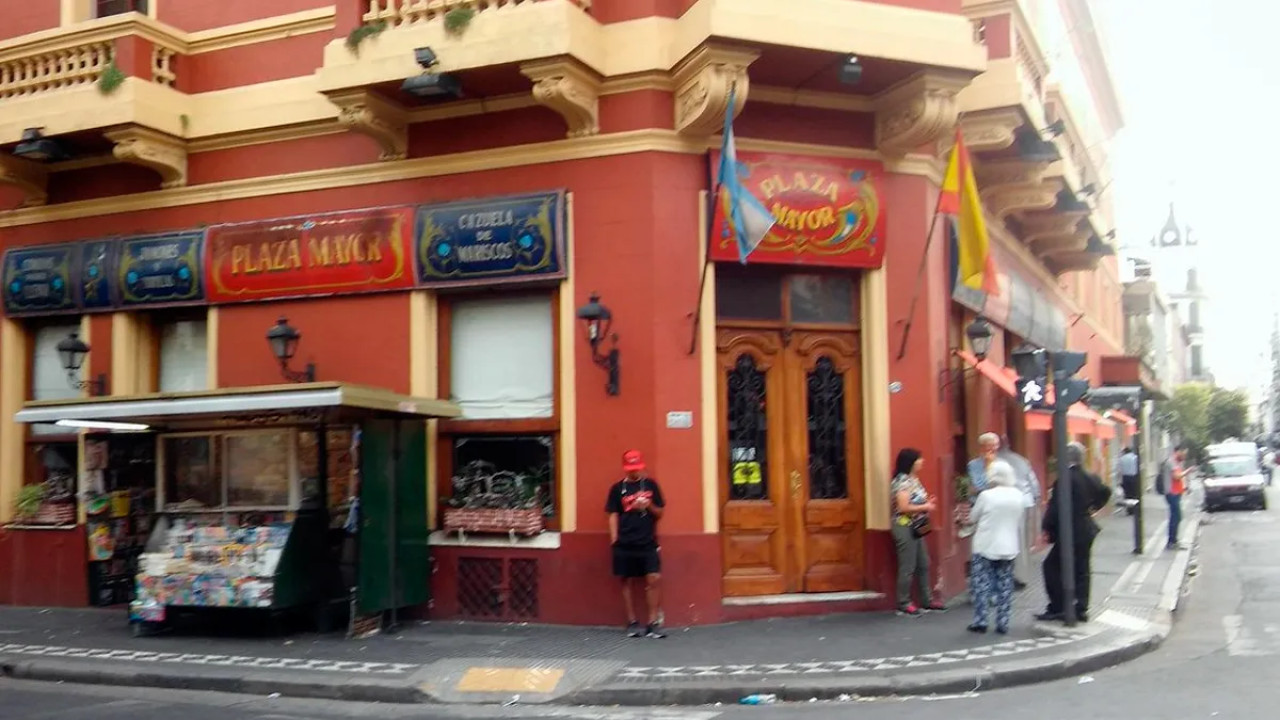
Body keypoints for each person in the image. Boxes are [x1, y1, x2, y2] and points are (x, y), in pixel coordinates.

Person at [1037, 442, 1111, 623]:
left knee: (1051, 566)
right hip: (1086, 528)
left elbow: (1055, 508)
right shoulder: (1089, 476)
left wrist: (1047, 528)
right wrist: (1093, 507)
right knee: (1082, 569)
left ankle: (1058, 606)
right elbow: (1106, 491)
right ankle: (1081, 608)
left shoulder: (1064, 479)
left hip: (1069, 530)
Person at [605, 450, 666, 638]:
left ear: (642, 465)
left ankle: (653, 622)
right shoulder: (617, 489)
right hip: (625, 540)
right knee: (626, 580)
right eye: (630, 469)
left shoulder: (651, 485)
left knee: (653, 578)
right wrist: (614, 538)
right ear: (625, 468)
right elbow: (613, 514)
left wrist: (648, 506)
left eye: (637, 468)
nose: (634, 472)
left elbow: (660, 513)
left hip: (647, 540)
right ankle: (632, 621)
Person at [967, 460, 1025, 634]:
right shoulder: (1018, 495)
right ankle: (1003, 622)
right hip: (1009, 546)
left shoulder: (986, 496)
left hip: (985, 545)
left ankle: (981, 620)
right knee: (1005, 585)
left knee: (981, 585)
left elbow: (972, 517)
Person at [890, 448, 946, 616]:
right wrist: (925, 506)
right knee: (908, 565)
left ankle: (926, 599)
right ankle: (904, 601)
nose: (922, 462)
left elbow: (914, 501)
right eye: (919, 459)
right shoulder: (902, 482)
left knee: (923, 563)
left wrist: (925, 502)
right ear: (911, 462)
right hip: (904, 526)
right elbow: (903, 507)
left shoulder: (913, 479)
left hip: (917, 526)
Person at [997, 436, 1041, 590]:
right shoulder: (1021, 460)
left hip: (1003, 503)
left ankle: (1006, 575)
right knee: (1022, 541)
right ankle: (1021, 575)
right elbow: (1033, 483)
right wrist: (1036, 499)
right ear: (1008, 444)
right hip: (1024, 501)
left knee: (1004, 538)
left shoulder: (994, 462)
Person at [1162, 445, 1187, 550]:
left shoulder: (1176, 462)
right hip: (1172, 493)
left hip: (1176, 492)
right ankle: (1171, 542)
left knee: (1176, 516)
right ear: (1178, 451)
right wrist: (1188, 471)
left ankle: (1174, 541)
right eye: (1184, 453)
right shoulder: (1172, 461)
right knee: (1175, 517)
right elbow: (1176, 476)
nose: (1185, 456)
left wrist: (1184, 487)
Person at [1118, 447, 1140, 515]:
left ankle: (1129, 510)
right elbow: (1138, 468)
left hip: (1125, 478)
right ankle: (1135, 509)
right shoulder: (1135, 457)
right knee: (1134, 494)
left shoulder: (1122, 459)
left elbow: (1119, 470)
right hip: (1133, 477)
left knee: (1127, 494)